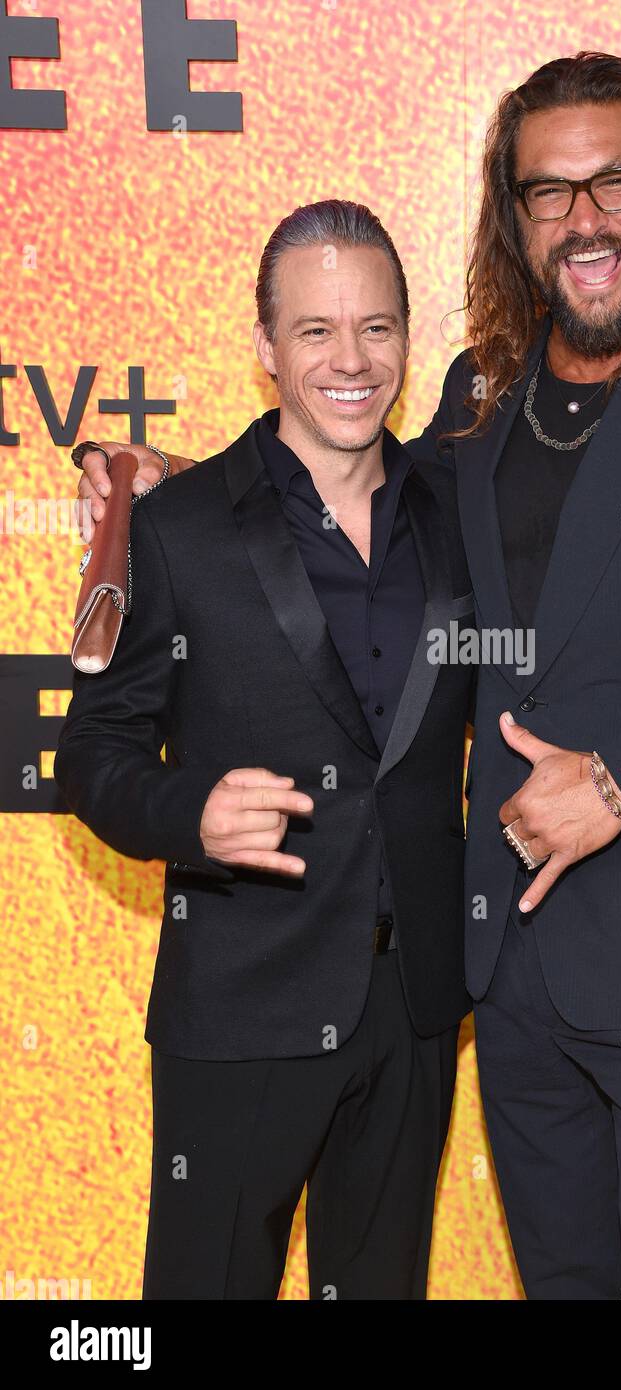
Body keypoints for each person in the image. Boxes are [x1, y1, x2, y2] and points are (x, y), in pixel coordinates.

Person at [75, 52, 621, 1300]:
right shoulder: (484, 390)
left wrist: (620, 785)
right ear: (514, 220)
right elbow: (360, 514)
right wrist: (180, 489)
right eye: (546, 194)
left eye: (612, 181)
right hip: (504, 968)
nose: (584, 219)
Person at [57, 199, 475, 1300]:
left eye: (376, 328)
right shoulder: (178, 524)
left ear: (404, 338)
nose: (351, 360)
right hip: (242, 1004)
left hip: (415, 1006)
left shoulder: (455, 508)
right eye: (316, 331)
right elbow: (89, 752)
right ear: (264, 349)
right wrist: (185, 811)